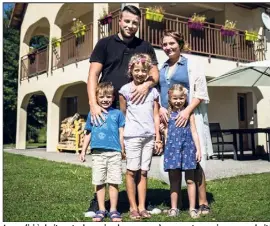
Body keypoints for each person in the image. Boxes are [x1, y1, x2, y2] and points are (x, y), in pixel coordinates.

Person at [159, 30, 213, 215]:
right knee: (176, 163)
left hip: (190, 115)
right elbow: (161, 93)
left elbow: (201, 92)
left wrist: (187, 111)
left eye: (171, 43)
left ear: (180, 44)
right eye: (165, 44)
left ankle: (203, 201)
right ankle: (178, 203)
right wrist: (160, 108)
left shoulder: (191, 64)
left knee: (196, 161)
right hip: (172, 118)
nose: (168, 47)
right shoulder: (163, 67)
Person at [119, 53, 163, 220]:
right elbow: (123, 114)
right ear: (131, 70)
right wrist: (122, 139)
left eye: (143, 71)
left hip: (149, 137)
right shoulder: (124, 90)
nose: (140, 74)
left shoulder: (153, 92)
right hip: (132, 137)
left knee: (144, 172)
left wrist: (158, 137)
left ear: (148, 72)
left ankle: (142, 206)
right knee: (131, 171)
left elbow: (156, 115)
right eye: (136, 70)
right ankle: (133, 207)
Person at [80, 82, 125, 222]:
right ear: (96, 98)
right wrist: (83, 150)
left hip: (114, 153)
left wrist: (123, 149)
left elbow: (121, 132)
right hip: (98, 153)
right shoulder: (92, 113)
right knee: (99, 181)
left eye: (108, 97)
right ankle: (101, 209)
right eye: (101, 97)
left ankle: (113, 210)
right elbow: (88, 133)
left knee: (114, 181)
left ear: (113, 98)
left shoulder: (117, 114)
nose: (105, 99)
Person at [162, 84, 201, 218]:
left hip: (188, 149)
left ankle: (192, 208)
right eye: (175, 98)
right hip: (173, 150)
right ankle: (174, 208)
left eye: (181, 98)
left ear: (185, 98)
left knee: (190, 180)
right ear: (170, 98)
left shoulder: (189, 113)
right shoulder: (167, 114)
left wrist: (198, 150)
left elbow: (194, 132)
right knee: (174, 180)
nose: (178, 101)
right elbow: (166, 132)